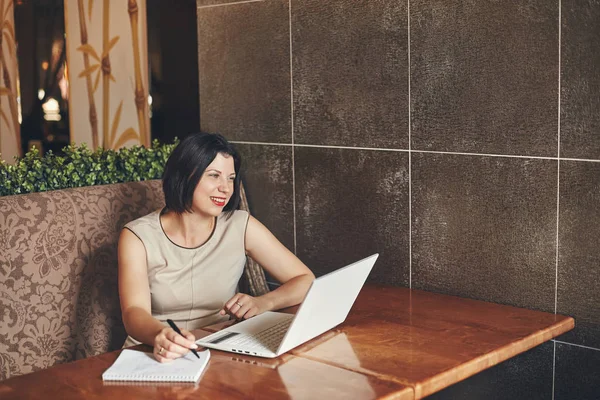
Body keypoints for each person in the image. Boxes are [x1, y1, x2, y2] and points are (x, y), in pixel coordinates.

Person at [118, 132, 315, 362]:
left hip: (219, 348)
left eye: (231, 178)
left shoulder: (240, 225)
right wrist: (160, 334)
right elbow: (133, 312)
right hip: (154, 352)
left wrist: (263, 302)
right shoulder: (137, 236)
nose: (226, 188)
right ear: (185, 175)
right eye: (214, 176)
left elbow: (305, 279)